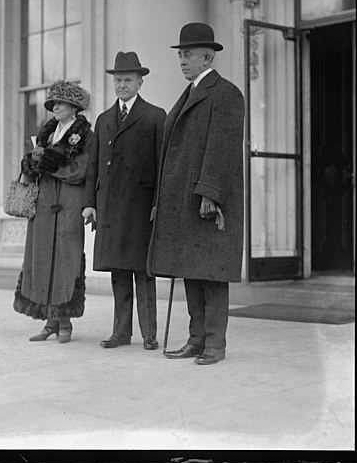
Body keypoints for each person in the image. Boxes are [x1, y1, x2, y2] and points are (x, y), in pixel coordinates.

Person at [147, 23, 245, 365]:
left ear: (208, 56)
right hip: (184, 199)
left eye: (188, 54)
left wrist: (210, 193)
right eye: (181, 55)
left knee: (212, 272)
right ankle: (196, 338)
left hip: (207, 200)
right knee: (191, 268)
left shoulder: (226, 93)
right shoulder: (190, 93)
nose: (183, 60)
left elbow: (223, 148)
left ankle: (215, 344)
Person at [83, 51, 166, 350]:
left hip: (142, 208)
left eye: (128, 79)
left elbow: (162, 165)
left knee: (144, 273)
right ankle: (121, 333)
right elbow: (92, 166)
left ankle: (149, 334)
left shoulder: (156, 116)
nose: (122, 85)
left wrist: (160, 203)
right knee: (118, 271)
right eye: (118, 80)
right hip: (110, 208)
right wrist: (89, 203)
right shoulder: (104, 120)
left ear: (140, 82)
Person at [13, 79, 93, 344]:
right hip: (44, 204)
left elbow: (81, 170)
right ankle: (50, 322)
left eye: (60, 103)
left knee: (66, 259)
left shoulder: (85, 136)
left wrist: (49, 165)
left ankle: (65, 322)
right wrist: (32, 162)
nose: (55, 107)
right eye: (53, 103)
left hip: (69, 204)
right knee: (44, 258)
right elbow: (35, 168)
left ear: (74, 107)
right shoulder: (47, 134)